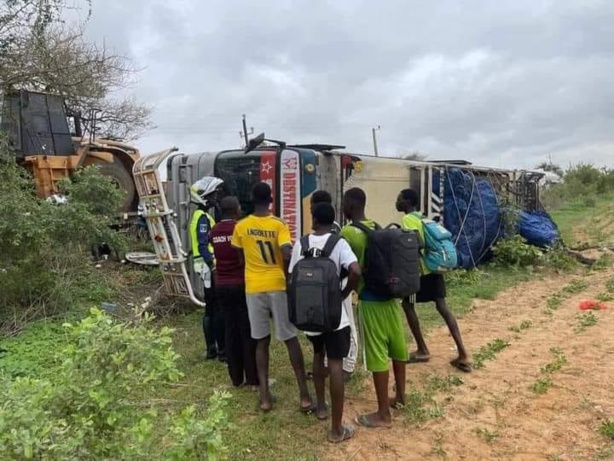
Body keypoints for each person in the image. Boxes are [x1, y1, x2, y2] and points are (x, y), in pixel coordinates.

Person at [232, 182, 313, 412]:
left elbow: (239, 256)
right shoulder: (279, 224)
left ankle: (265, 398)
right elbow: (287, 253)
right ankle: (304, 396)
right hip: (276, 284)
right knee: (289, 338)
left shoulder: (241, 226)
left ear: (251, 197)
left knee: (261, 341)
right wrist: (286, 273)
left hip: (253, 286)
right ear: (271, 199)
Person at [289, 202, 361, 443]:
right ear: (333, 221)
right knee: (337, 364)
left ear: (315, 220)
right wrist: (342, 294)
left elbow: (292, 275)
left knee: (318, 355)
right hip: (334, 317)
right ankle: (336, 430)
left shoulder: (302, 243)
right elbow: (355, 271)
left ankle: (321, 407)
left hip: (310, 315)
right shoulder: (339, 243)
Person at [339, 187, 408, 429]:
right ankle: (400, 396)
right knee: (397, 347)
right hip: (391, 297)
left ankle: (383, 414)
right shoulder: (377, 227)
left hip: (369, 299)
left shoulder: (348, 232)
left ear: (349, 205)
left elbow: (346, 267)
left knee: (377, 353)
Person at [395, 188, 471, 373]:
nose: (397, 201)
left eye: (399, 198)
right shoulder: (423, 217)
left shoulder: (408, 219)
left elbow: (418, 243)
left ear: (407, 202)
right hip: (435, 268)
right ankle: (463, 353)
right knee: (442, 307)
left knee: (407, 305)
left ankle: (422, 349)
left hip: (420, 272)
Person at [211, 196, 259, 388]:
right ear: (235, 210)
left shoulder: (214, 231)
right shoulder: (239, 229)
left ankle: (236, 378)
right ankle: (252, 377)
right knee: (247, 330)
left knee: (230, 331)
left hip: (221, 285)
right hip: (241, 284)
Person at [310, 190, 358, 381]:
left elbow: (352, 267)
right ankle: (328, 363)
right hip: (324, 287)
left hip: (339, 283)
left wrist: (344, 293)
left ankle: (348, 363)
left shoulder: (335, 230)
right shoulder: (323, 230)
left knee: (346, 324)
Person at [190, 176, 226, 362]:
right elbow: (204, 245)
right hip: (208, 266)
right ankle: (218, 349)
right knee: (215, 308)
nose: (215, 198)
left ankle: (212, 349)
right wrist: (212, 265)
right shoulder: (203, 218)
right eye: (212, 195)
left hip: (203, 266)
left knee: (211, 308)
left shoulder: (201, 216)